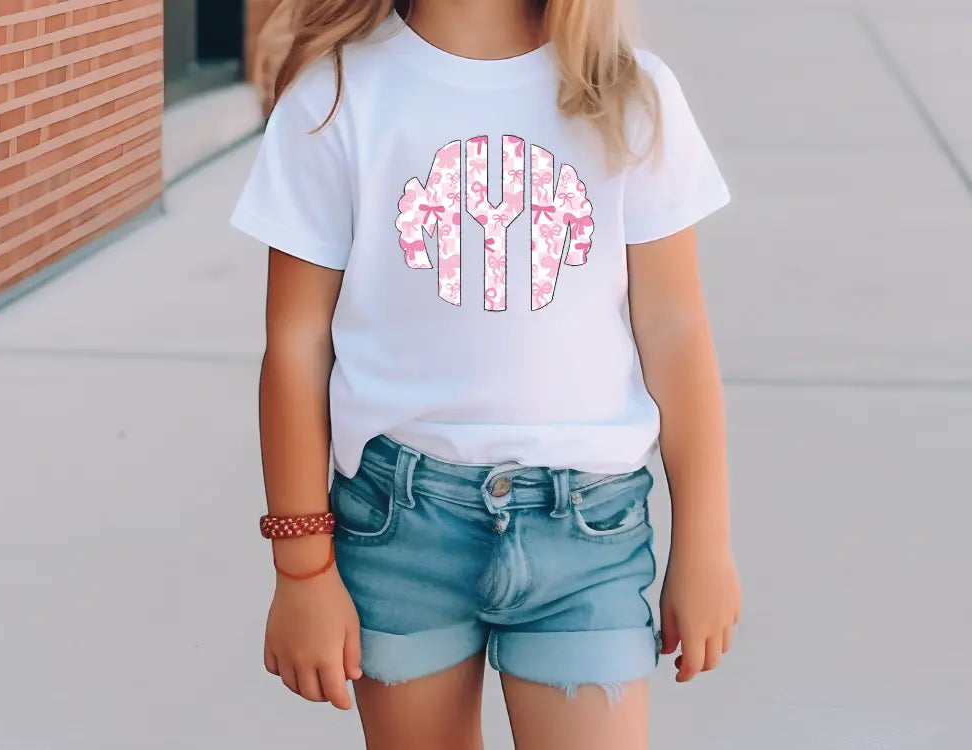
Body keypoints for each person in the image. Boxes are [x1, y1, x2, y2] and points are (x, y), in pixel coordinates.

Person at [231, 1, 741, 748]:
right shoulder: (336, 94)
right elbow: (296, 343)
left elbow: (676, 331)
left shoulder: (629, 93)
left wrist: (706, 543)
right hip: (400, 527)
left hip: (587, 533)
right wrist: (302, 570)